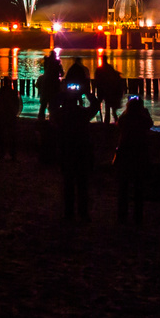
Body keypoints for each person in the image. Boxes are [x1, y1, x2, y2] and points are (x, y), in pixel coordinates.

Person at [56, 84, 97, 220]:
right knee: (82, 185)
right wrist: (87, 93)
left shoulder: (61, 114)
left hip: (66, 151)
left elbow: (53, 106)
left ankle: (68, 213)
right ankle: (83, 213)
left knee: (68, 184)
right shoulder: (82, 113)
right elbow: (95, 106)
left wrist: (62, 94)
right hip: (82, 152)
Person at [113, 96, 153, 225]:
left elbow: (119, 124)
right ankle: (138, 215)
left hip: (125, 152)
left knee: (123, 186)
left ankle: (122, 214)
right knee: (138, 186)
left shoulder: (124, 118)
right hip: (139, 153)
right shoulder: (143, 119)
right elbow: (149, 124)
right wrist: (145, 113)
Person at [0, 79, 21, 161]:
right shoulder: (13, 92)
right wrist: (15, 112)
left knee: (1, 135)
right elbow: (17, 103)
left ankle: (2, 153)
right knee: (12, 135)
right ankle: (13, 154)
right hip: (11, 115)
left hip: (2, 116)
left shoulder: (1, 92)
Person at [93, 58, 124, 123]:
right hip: (109, 90)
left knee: (99, 106)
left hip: (101, 90)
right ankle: (114, 121)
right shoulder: (110, 68)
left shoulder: (99, 69)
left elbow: (96, 80)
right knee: (110, 107)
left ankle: (102, 121)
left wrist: (95, 89)